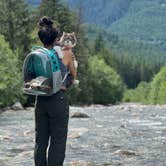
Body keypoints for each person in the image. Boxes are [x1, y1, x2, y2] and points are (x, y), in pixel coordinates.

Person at [34, 16, 77, 166]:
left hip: (40, 99)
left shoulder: (37, 53)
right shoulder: (66, 53)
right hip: (58, 99)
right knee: (58, 142)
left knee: (40, 141)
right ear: (56, 38)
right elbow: (73, 74)